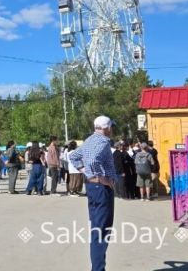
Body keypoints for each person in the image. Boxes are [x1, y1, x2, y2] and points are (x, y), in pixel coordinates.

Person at [69, 116, 119, 271]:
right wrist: (99, 177)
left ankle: (98, 268)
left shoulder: (89, 139)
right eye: (111, 127)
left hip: (93, 189)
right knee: (101, 232)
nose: (112, 130)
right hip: (101, 189)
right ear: (107, 128)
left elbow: (74, 156)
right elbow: (92, 160)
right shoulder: (103, 142)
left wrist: (85, 172)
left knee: (97, 229)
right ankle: (98, 269)